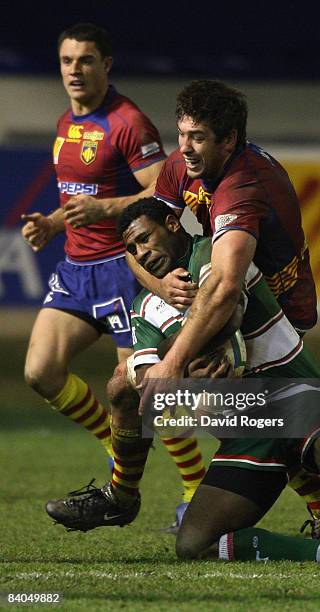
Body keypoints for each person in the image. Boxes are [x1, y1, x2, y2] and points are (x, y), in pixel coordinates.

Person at [45, 199, 320, 565]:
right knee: (194, 544)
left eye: (146, 239)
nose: (142, 253)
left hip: (299, 402)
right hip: (251, 433)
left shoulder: (215, 250)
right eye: (132, 249)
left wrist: (190, 358)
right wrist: (178, 373)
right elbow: (150, 378)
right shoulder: (144, 307)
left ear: (172, 224)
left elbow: (228, 310)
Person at [127, 80, 320, 535]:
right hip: (235, 303)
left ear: (229, 139)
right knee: (238, 412)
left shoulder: (245, 184)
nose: (186, 149)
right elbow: (139, 236)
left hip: (279, 311)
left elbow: (227, 286)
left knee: (239, 409)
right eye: (181, 134)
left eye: (198, 137)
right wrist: (160, 284)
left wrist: (174, 361)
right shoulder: (182, 166)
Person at [21, 23, 205, 516]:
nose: (74, 70)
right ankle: (114, 441)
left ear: (106, 65)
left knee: (145, 388)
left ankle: (195, 487)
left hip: (122, 269)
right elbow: (80, 198)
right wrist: (53, 222)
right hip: (76, 270)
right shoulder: (65, 122)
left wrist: (105, 212)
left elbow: (161, 191)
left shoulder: (127, 122)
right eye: (66, 61)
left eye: (85, 60)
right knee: (40, 371)